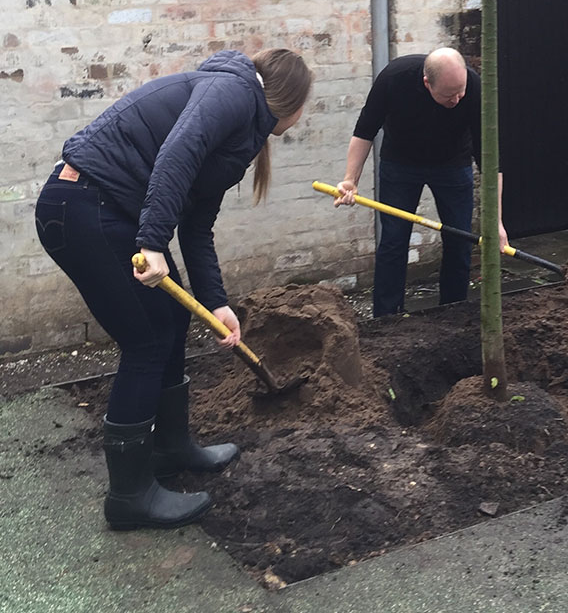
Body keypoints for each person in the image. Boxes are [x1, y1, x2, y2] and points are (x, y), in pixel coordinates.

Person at [34, 47, 312, 532]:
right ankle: (130, 496)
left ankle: (170, 447)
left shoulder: (243, 126)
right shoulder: (236, 89)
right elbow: (176, 153)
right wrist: (151, 241)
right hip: (85, 205)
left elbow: (198, 223)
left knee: (173, 318)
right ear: (292, 101)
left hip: (103, 208)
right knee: (146, 339)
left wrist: (217, 303)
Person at [335, 47, 506, 317]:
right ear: (427, 83)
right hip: (400, 164)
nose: (458, 99)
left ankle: (453, 310)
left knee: (459, 241)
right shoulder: (394, 78)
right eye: (450, 95)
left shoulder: (472, 87)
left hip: (453, 165)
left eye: (460, 91)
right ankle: (386, 317)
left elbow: (490, 158)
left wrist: (495, 222)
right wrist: (349, 180)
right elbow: (365, 130)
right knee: (393, 240)